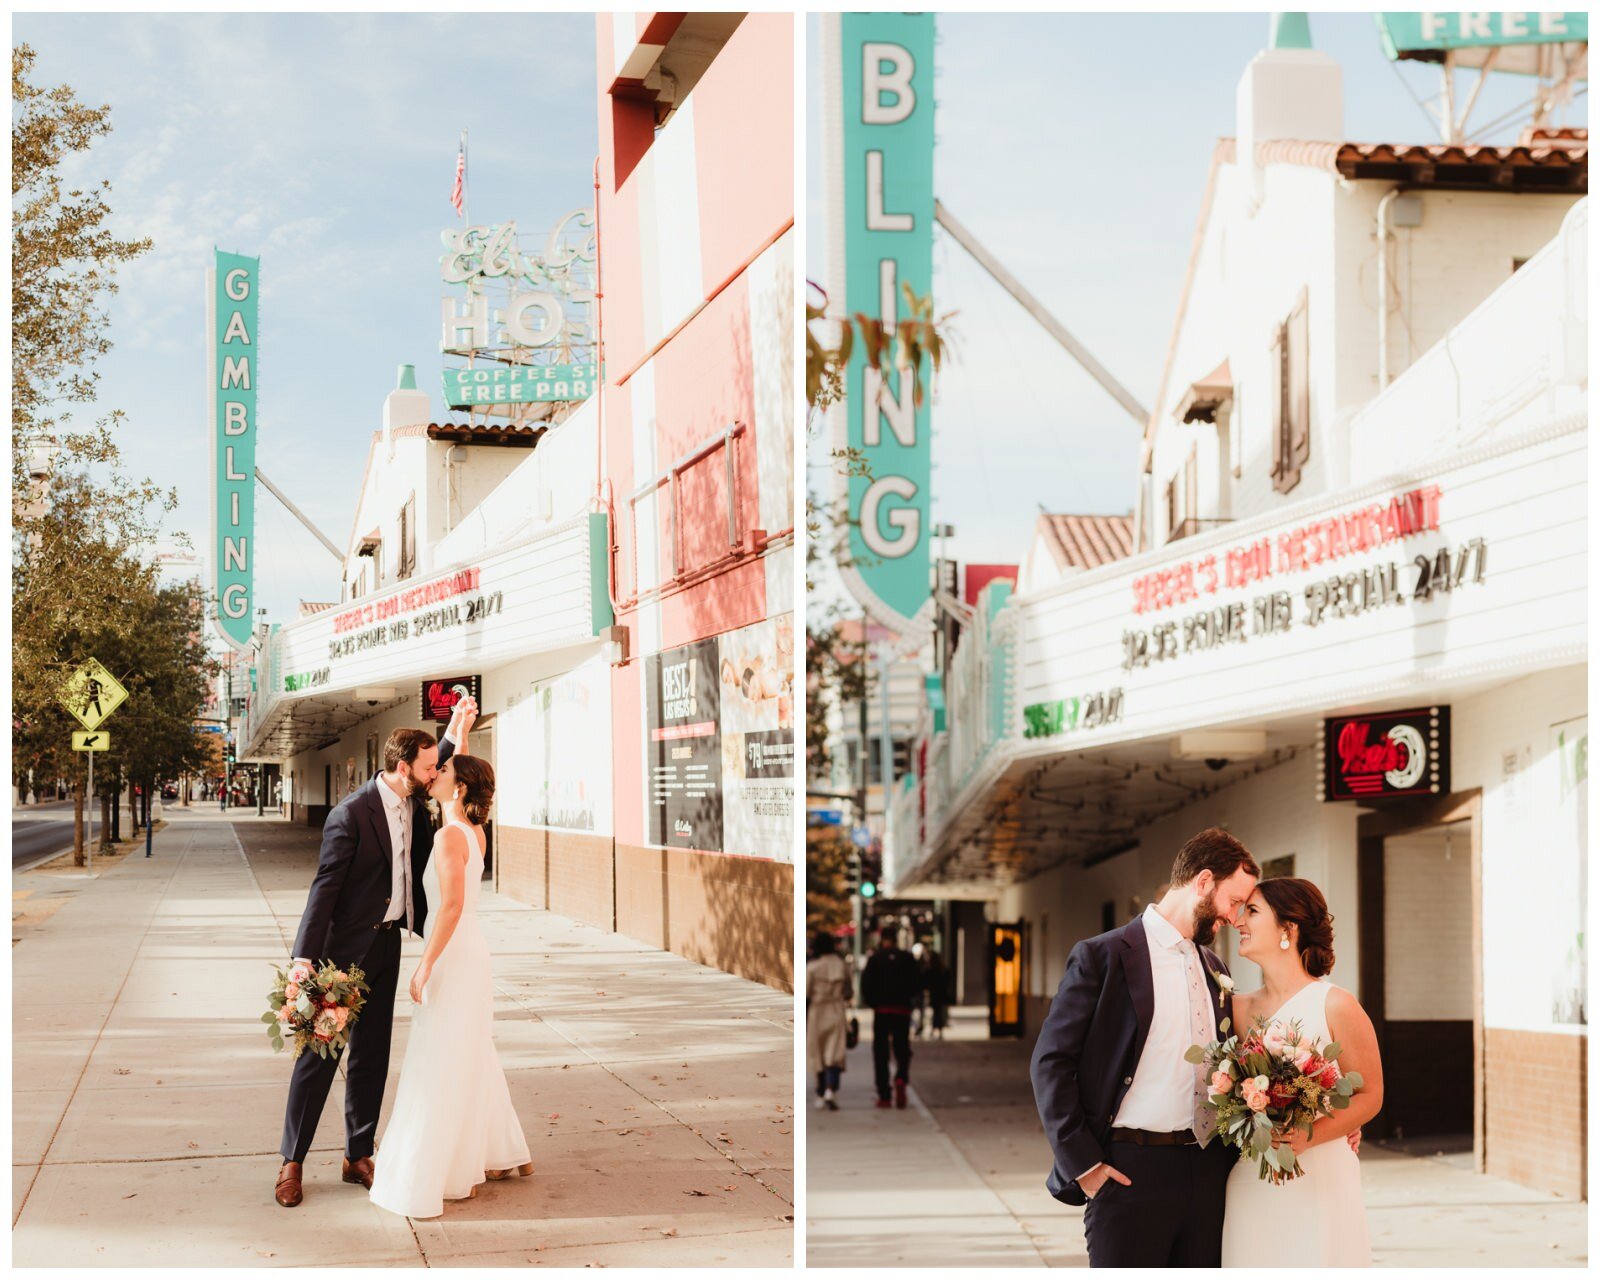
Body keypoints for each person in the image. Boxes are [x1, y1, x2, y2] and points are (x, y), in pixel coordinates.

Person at [272, 696, 476, 1208]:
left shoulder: (416, 799)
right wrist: (303, 959)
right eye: (429, 768)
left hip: (389, 946)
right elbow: (324, 890)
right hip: (342, 956)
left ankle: (357, 1154)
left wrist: (455, 725)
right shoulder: (350, 815)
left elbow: (442, 757)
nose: (436, 775)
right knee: (319, 1058)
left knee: (372, 1057)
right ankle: (291, 1161)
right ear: (403, 767)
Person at [1029, 828, 1260, 1267]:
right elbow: (1050, 1064)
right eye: (1234, 902)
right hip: (1129, 1171)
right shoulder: (1103, 956)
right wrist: (1085, 1165)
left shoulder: (1215, 966)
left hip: (1209, 1170)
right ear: (1204, 881)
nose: (1235, 917)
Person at [370, 750, 531, 1218]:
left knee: (437, 1059)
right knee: (470, 1050)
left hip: (454, 956)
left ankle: (436, 1170)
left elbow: (452, 906)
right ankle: (499, 1152)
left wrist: (425, 965)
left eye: (443, 771)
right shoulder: (472, 831)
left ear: (458, 787)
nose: (435, 773)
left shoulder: (447, 838)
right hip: (472, 953)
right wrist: (457, 728)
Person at [1220, 878, 1382, 1266]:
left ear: (1287, 929)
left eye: (1253, 911)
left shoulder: (1336, 1005)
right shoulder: (1234, 1009)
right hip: (1251, 1180)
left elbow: (1371, 1094)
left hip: (1321, 1176)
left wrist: (1311, 1135)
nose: (1239, 921)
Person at [860, 927, 922, 1109]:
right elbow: (917, 983)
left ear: (882, 940)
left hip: (882, 1011)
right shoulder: (907, 958)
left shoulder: (875, 959)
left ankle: (884, 1095)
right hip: (902, 1010)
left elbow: (866, 985)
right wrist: (909, 1002)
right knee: (902, 1048)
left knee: (881, 1052)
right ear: (895, 939)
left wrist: (874, 1003)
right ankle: (901, 1077)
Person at [807, 932, 852, 1110]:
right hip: (836, 1010)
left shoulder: (812, 967)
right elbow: (849, 992)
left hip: (817, 1011)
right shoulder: (842, 966)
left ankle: (820, 1091)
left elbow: (806, 993)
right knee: (835, 1052)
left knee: (818, 1052)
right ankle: (831, 1089)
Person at [924, 948, 949, 1039]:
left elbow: (926, 982)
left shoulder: (931, 970)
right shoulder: (943, 970)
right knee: (939, 1012)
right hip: (940, 994)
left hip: (935, 994)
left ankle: (935, 1029)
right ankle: (938, 1029)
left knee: (936, 1013)